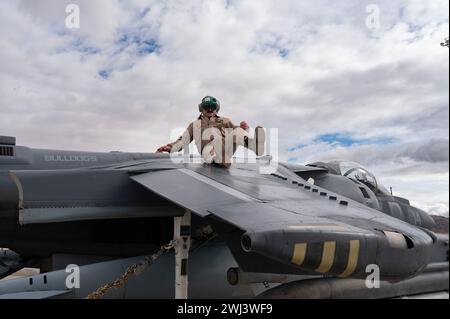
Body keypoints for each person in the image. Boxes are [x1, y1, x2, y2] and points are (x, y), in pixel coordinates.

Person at [156, 96, 265, 168]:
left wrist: (244, 128)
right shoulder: (195, 125)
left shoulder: (224, 121)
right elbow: (183, 140)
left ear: (216, 109)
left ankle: (255, 146)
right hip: (207, 152)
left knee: (237, 132)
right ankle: (217, 159)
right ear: (201, 109)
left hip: (224, 148)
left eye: (212, 107)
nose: (210, 109)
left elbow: (237, 132)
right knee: (211, 144)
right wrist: (170, 147)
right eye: (206, 107)